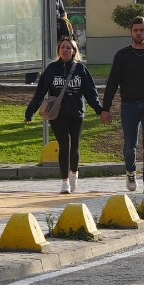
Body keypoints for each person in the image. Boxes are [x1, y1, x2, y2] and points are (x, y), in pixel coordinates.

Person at [98, 17, 144, 189]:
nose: (139, 33)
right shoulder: (122, 55)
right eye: (135, 30)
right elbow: (112, 83)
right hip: (129, 105)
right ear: (131, 32)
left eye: (142, 30)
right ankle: (130, 172)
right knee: (130, 145)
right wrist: (105, 108)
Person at [24, 35, 101, 194]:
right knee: (64, 143)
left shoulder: (80, 70)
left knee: (75, 145)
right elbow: (40, 93)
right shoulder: (52, 69)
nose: (65, 50)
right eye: (62, 47)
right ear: (59, 50)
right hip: (57, 114)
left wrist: (100, 110)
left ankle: (74, 173)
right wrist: (29, 112)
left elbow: (91, 93)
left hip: (76, 113)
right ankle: (64, 181)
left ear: (74, 51)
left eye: (68, 48)